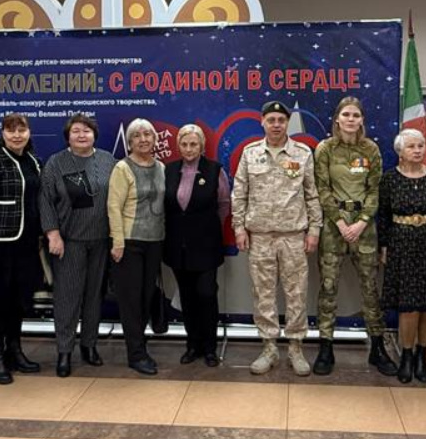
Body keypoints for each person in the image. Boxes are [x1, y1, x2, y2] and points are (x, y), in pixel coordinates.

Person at [232, 101, 322, 377]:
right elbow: (239, 193)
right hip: (260, 236)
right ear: (262, 121)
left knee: (297, 294)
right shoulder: (250, 153)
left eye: (281, 120)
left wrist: (314, 230)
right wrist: (239, 228)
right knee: (263, 294)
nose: (276, 125)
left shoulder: (302, 153)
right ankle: (269, 347)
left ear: (287, 122)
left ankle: (295, 347)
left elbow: (312, 194)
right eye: (271, 120)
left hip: (293, 236)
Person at [312, 96, 395, 376]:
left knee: (370, 287)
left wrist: (361, 222)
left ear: (362, 120)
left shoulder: (370, 149)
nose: (350, 119)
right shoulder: (325, 148)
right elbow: (322, 188)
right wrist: (339, 222)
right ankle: (326, 346)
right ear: (337, 119)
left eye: (355, 115)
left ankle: (378, 347)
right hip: (333, 227)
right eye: (346, 114)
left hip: (364, 227)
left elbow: (374, 190)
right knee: (328, 286)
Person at [0, 113, 46, 385]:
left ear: (29, 133)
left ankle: (15, 351)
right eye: (11, 130)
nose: (17, 135)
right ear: (2, 133)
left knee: (19, 300)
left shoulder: (34, 161)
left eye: (21, 130)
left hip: (27, 244)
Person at [40, 113, 116, 377]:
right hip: (69, 242)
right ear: (68, 136)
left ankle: (89, 345)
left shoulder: (108, 160)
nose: (81, 135)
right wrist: (53, 234)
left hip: (101, 241)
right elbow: (45, 201)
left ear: (94, 135)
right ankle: (64, 351)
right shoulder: (56, 163)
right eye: (76, 131)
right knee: (67, 298)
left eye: (86, 131)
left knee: (94, 296)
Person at [377, 128, 426, 384]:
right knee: (408, 304)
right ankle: (406, 356)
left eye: (421, 145)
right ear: (400, 151)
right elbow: (383, 215)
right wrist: (383, 246)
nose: (417, 150)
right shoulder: (390, 179)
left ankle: (421, 354)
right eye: (411, 146)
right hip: (402, 244)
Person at [164, 124, 230, 367]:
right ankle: (193, 345)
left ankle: (210, 348)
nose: (189, 149)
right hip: (177, 246)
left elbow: (224, 204)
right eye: (184, 144)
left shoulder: (214, 170)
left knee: (206, 294)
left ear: (202, 146)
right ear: (178, 146)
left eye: (194, 144)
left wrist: (207, 228)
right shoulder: (169, 170)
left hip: (206, 245)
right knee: (188, 297)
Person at [107, 118, 167, 376]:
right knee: (131, 301)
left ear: (155, 139)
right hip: (129, 243)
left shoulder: (161, 167)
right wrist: (117, 242)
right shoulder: (122, 168)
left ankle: (140, 346)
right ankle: (136, 354)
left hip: (155, 242)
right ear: (129, 142)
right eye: (137, 136)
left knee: (145, 297)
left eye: (148, 135)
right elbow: (113, 207)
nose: (143, 139)